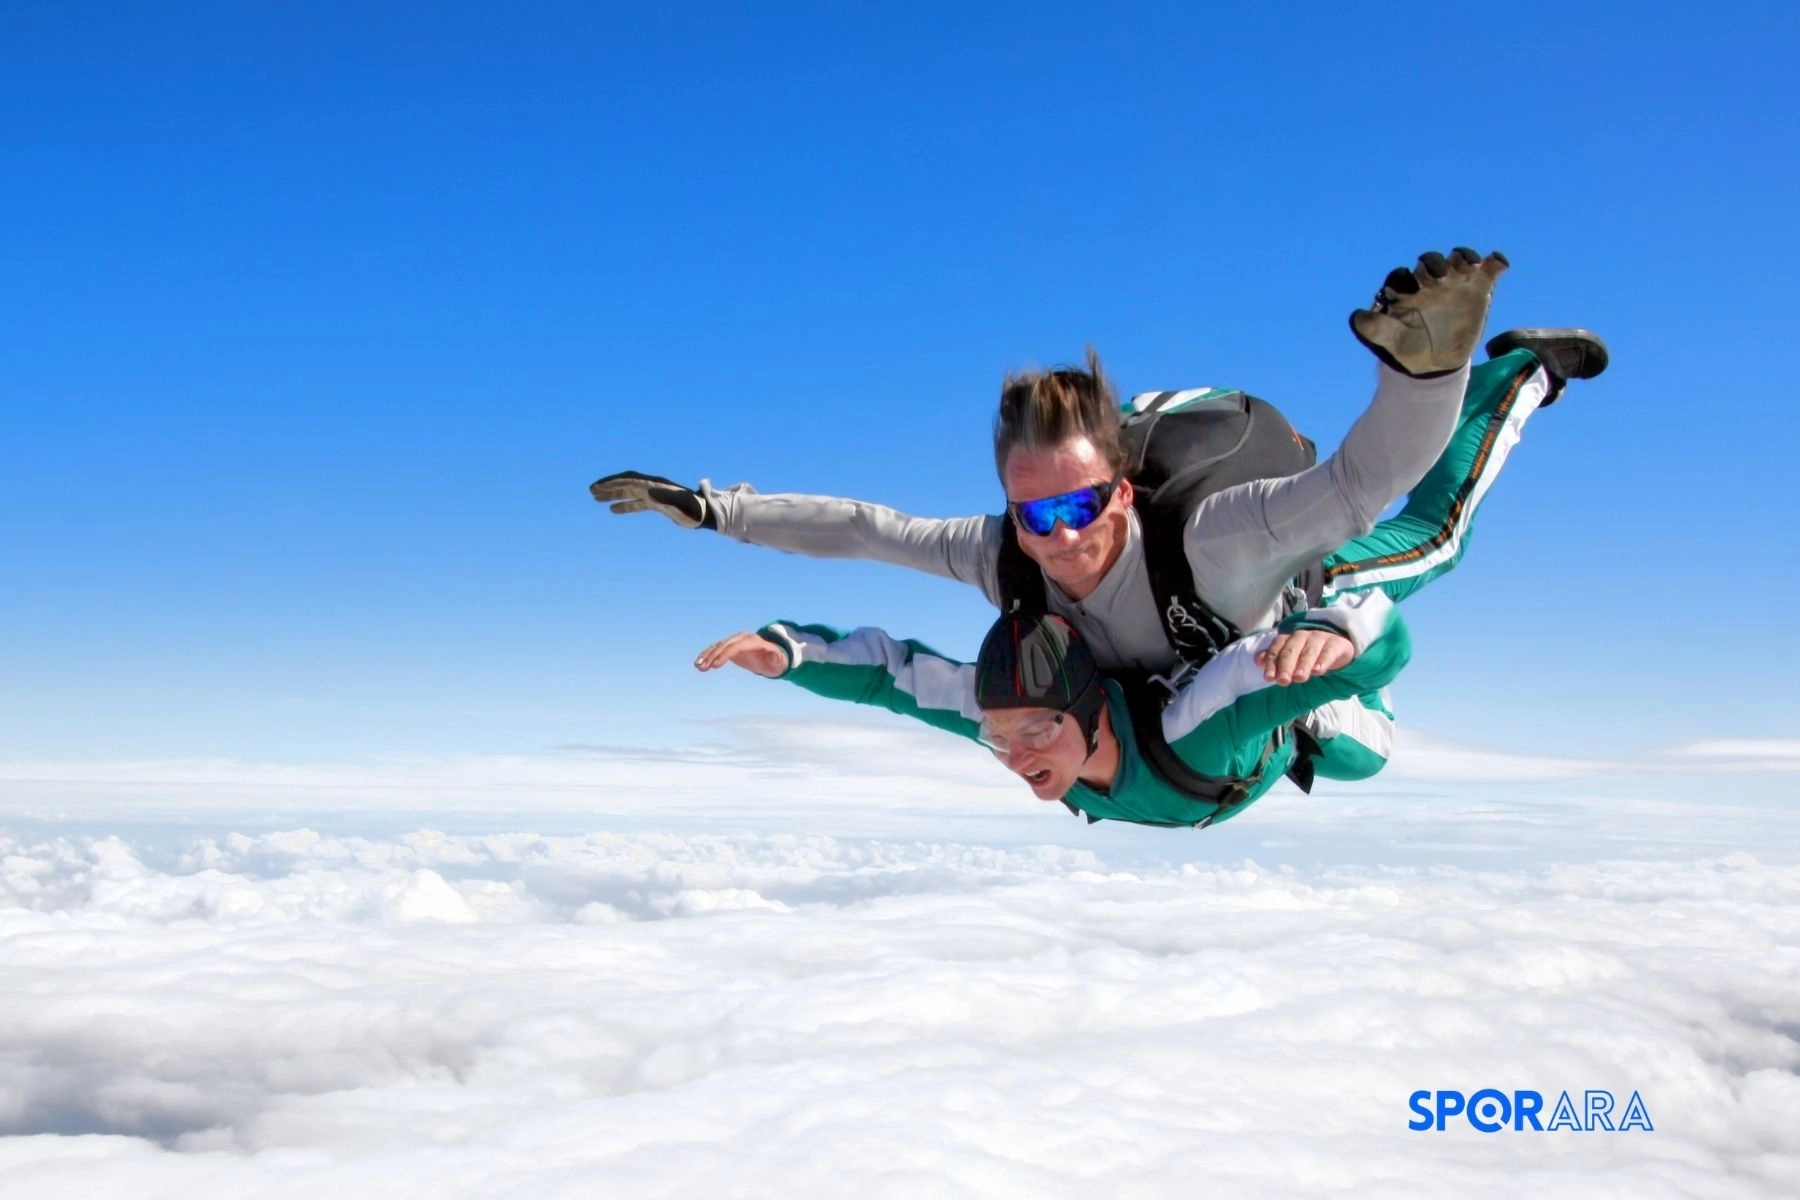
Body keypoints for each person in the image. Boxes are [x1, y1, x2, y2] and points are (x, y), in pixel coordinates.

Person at [593, 249, 1593, 683]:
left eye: (1080, 504)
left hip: (1291, 579)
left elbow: (1358, 483)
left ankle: (1515, 373)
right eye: (1034, 514)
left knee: (1428, 538)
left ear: (1121, 490)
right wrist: (715, 511)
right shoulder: (1005, 555)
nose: (1059, 535)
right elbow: (866, 529)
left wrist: (1425, 375)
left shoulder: (1215, 539)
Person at [695, 595, 1404, 829]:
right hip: (1204, 776)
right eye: (999, 739)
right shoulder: (1009, 730)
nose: (1018, 756)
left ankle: (1512, 377)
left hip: (1299, 717)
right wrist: (788, 654)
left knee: (1368, 757)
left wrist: (1338, 634)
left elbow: (1385, 646)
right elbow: (893, 675)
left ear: (1091, 713)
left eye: (1036, 731)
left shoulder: (1202, 726)